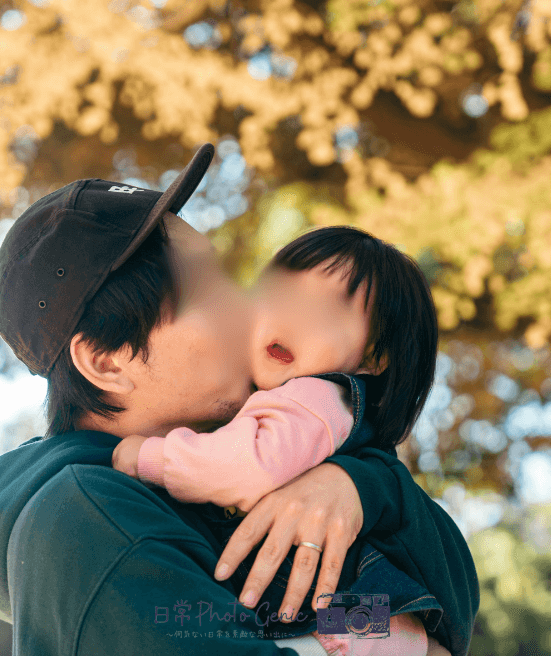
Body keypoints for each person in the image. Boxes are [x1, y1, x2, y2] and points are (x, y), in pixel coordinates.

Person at [0, 144, 478, 655]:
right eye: (207, 289)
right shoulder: (89, 520)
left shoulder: (235, 470)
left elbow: (451, 604)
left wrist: (364, 488)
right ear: (108, 361)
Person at [111, 226, 442, 655]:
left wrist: (150, 457)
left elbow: (251, 465)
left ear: (373, 358)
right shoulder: (281, 400)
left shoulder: (314, 398)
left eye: (323, 312)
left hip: (351, 625)